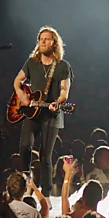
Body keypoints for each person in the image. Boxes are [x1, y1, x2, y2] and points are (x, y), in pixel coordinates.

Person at [14, 26, 73, 207]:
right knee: (25, 146)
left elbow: (64, 90)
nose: (43, 42)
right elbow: (17, 81)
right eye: (41, 39)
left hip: (51, 115)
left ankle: (46, 195)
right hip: (32, 112)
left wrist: (59, 101)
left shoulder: (63, 66)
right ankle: (25, 182)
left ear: (54, 43)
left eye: (47, 39)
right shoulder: (32, 63)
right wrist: (22, 95)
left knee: (46, 156)